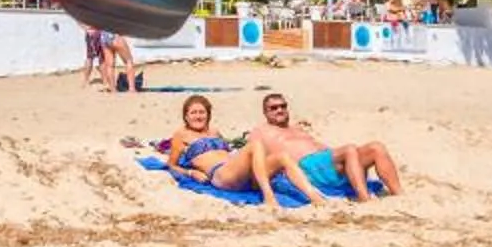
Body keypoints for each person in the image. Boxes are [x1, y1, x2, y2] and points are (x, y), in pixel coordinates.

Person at [247, 91, 404, 199]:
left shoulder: (297, 128)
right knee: (349, 149)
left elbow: (321, 147)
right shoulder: (261, 131)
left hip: (327, 163)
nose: (280, 110)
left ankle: (399, 194)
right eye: (273, 108)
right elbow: (254, 158)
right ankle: (364, 198)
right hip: (307, 168)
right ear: (265, 112)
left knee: (376, 147)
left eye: (283, 106)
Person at [157, 95, 281, 205]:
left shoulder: (214, 131)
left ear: (208, 115)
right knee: (255, 145)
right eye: (193, 113)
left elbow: (230, 152)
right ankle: (269, 197)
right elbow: (171, 165)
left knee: (281, 156)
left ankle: (295, 190)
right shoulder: (181, 134)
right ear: (186, 116)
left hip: (236, 171)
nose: (198, 116)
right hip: (221, 175)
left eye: (202, 112)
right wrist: (191, 172)